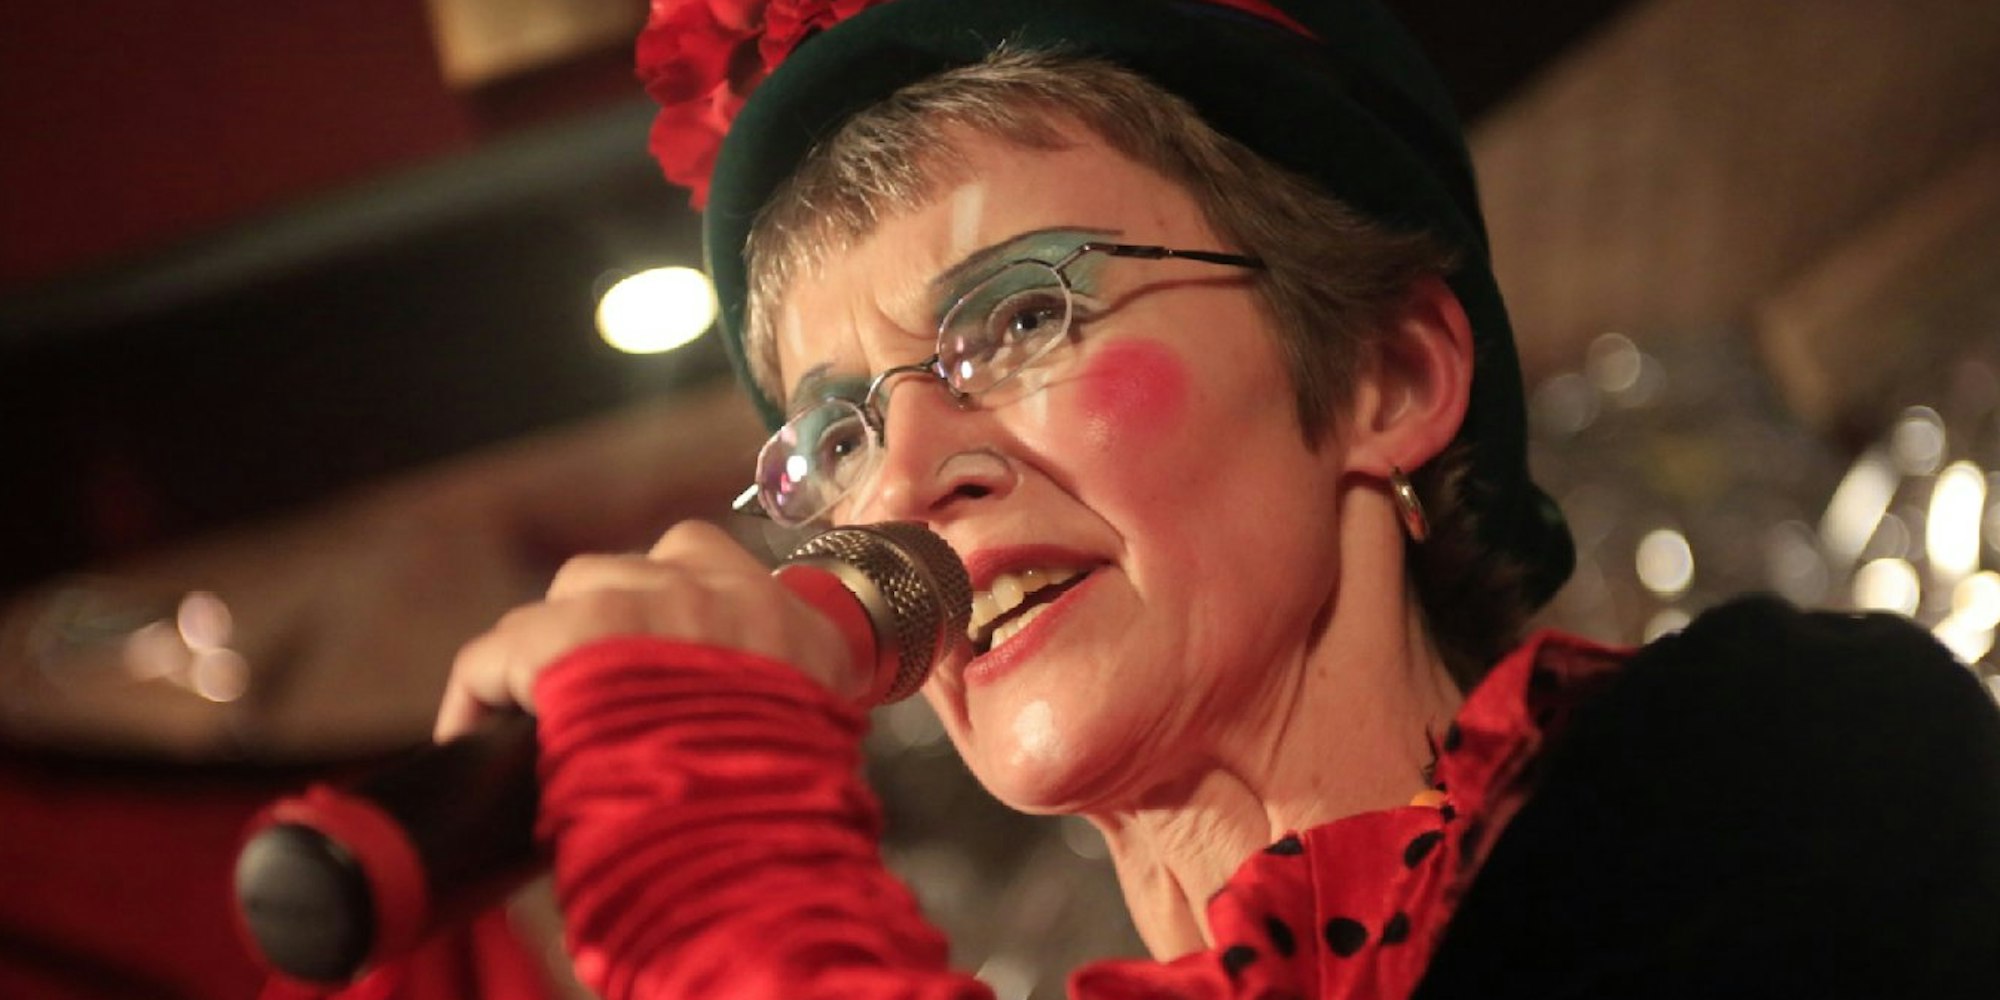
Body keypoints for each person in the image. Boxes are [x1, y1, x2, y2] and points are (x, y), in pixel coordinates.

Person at [435, 1, 2000, 997]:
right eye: (835, 437)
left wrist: (707, 842)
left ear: (1385, 375)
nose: (902, 480)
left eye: (1020, 317)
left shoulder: (1791, 784)